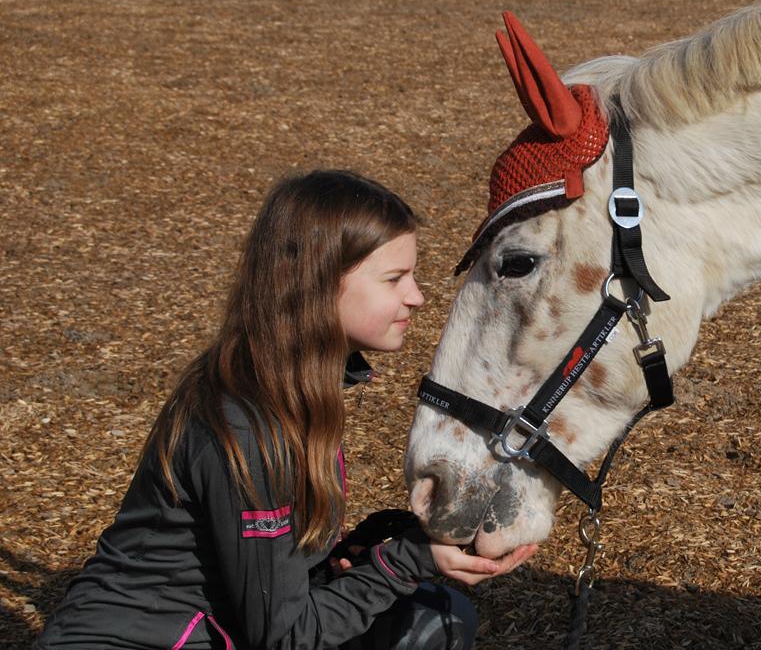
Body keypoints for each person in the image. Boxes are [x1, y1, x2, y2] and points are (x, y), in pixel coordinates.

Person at [37, 170, 537, 650]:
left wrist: (363, 553)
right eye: (394, 279)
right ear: (318, 284)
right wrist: (408, 559)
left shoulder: (290, 388)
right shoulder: (249, 427)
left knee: (438, 620)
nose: (417, 297)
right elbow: (284, 638)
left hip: (223, 629)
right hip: (144, 640)